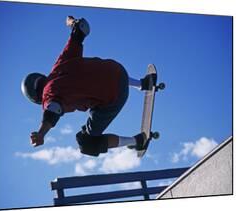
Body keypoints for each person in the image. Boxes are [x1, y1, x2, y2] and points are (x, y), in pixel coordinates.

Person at [21, 16, 156, 157]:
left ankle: (137, 141)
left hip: (114, 96)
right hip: (118, 70)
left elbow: (53, 110)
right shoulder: (59, 65)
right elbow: (83, 28)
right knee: (97, 75)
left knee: (86, 142)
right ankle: (143, 84)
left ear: (35, 97)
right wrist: (72, 23)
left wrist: (41, 133)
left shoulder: (48, 95)